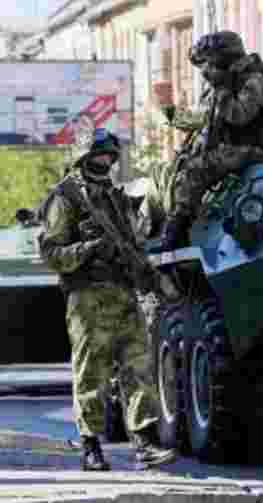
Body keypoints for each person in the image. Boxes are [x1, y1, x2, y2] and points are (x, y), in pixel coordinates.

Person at [38, 128, 177, 471]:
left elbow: (135, 245)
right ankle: (91, 446)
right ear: (84, 157)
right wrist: (89, 249)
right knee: (92, 374)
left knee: (139, 369)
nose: (105, 161)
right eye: (99, 155)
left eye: (109, 156)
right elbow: (51, 252)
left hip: (124, 294)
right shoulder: (66, 197)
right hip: (88, 298)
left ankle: (144, 442)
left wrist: (153, 280)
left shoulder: (116, 198)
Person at [156, 30, 263, 252]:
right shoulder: (228, 81)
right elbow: (205, 119)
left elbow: (239, 114)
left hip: (258, 148)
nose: (205, 71)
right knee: (183, 164)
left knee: (196, 170)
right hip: (238, 147)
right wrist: (172, 113)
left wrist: (221, 89)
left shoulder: (255, 79)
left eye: (208, 64)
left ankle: (175, 234)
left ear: (222, 60)